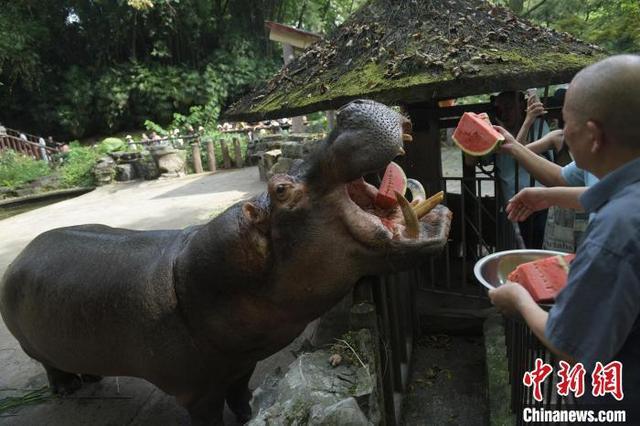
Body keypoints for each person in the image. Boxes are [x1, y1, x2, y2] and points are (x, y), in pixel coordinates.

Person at [490, 54, 640, 415]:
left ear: (593, 135)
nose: (563, 131)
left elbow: (569, 342)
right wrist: (544, 195)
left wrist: (518, 300)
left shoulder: (616, 229)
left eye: (567, 122)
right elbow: (578, 187)